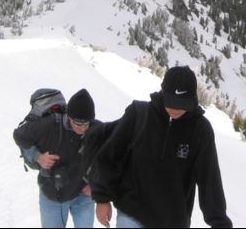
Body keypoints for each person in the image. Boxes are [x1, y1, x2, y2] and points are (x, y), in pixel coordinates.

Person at [91, 66, 232, 228]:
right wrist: (102, 198)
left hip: (172, 221)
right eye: (171, 102)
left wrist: (219, 222)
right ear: (163, 93)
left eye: (182, 104)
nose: (175, 109)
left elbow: (209, 178)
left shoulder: (200, 130)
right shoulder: (139, 114)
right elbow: (110, 155)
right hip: (132, 213)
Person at [13, 88, 100, 228]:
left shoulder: (96, 129)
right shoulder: (49, 125)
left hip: (83, 195)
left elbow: (111, 157)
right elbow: (19, 135)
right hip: (52, 195)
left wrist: (95, 185)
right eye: (78, 123)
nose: (83, 128)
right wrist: (38, 157)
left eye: (86, 123)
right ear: (69, 116)